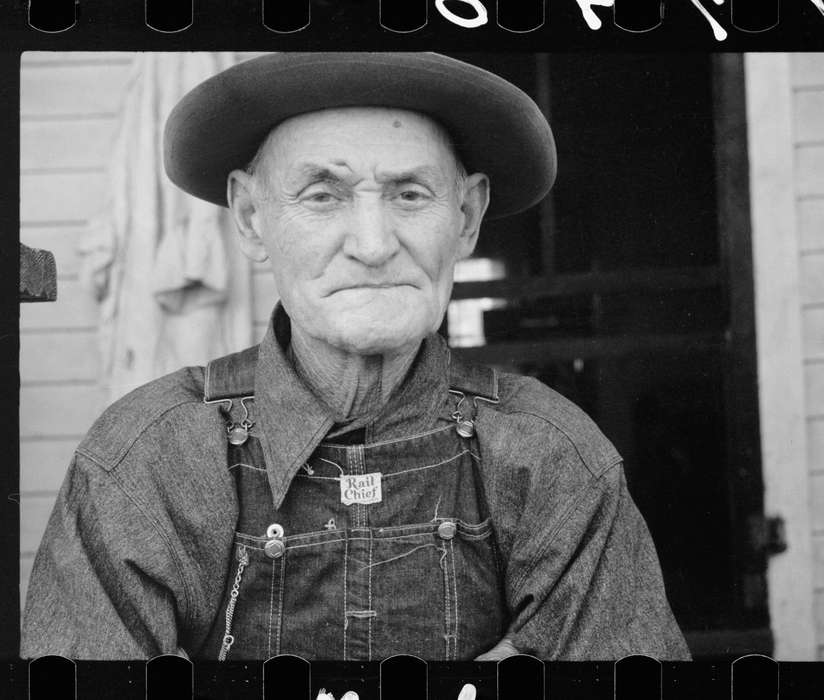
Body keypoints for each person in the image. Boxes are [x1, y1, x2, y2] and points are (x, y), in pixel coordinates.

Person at [21, 52, 689, 661]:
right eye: (322, 195)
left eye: (409, 194)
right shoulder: (147, 459)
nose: (372, 245)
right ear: (252, 218)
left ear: (465, 216)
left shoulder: (551, 457)